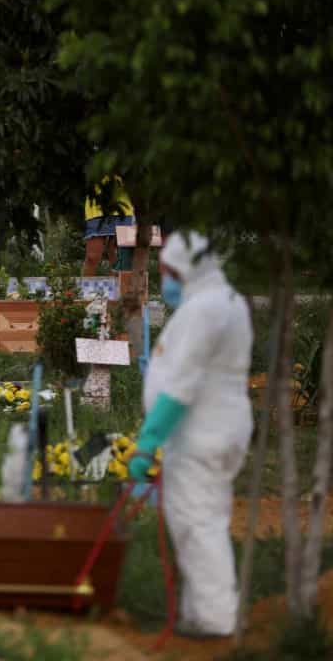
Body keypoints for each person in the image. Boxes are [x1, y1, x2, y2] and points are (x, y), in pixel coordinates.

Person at [127, 230, 252, 638]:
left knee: (197, 523)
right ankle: (201, 614)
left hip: (201, 432)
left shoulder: (203, 310)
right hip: (219, 428)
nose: (165, 278)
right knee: (204, 518)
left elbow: (182, 385)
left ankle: (214, 620)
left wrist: (149, 440)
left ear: (185, 268)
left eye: (168, 271)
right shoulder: (227, 301)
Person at [83, 175, 135, 276]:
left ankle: (118, 285)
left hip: (124, 208)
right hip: (96, 206)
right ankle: (86, 286)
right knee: (92, 257)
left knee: (120, 258)